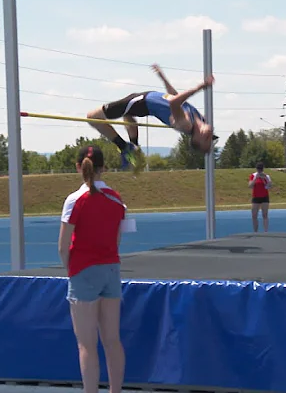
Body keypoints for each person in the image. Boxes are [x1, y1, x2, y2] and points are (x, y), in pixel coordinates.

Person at [58, 145, 127, 393]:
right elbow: (117, 239)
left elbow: (63, 245)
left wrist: (72, 270)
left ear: (79, 167)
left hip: (83, 270)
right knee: (112, 340)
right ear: (103, 168)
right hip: (110, 269)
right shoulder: (117, 199)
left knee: (87, 345)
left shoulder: (75, 200)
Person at [85, 64, 215, 171]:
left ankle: (124, 147)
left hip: (141, 102)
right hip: (144, 100)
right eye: (210, 137)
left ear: (196, 137)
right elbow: (175, 96)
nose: (209, 133)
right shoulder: (200, 118)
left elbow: (174, 102)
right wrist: (163, 78)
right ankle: (134, 146)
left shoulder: (185, 124)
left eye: (206, 138)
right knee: (127, 116)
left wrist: (200, 87)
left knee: (92, 117)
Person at [248, 162, 272, 232]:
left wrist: (265, 179)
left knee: (265, 214)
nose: (259, 171)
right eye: (258, 169)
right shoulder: (253, 175)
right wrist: (256, 178)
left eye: (261, 169)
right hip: (256, 197)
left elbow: (269, 186)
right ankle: (255, 231)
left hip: (264, 197)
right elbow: (250, 185)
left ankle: (266, 231)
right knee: (254, 215)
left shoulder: (266, 176)